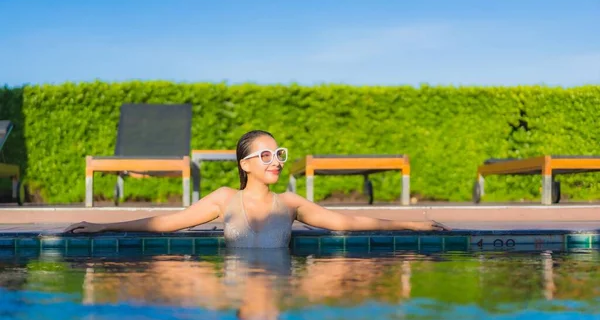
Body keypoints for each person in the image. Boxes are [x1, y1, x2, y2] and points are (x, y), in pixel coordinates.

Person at [65, 130, 449, 248]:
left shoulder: (291, 202)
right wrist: (104, 227)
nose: (276, 161)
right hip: (235, 294)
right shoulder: (223, 199)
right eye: (265, 156)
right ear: (245, 164)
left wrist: (414, 225)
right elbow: (169, 222)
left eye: (278, 154)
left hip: (281, 289)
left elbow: (345, 221)